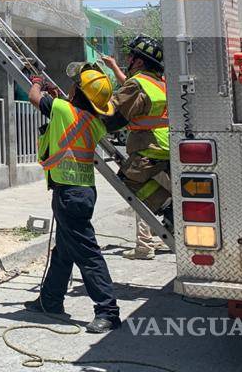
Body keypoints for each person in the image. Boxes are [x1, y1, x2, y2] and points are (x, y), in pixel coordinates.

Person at [24, 63, 123, 333]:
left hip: (69, 194)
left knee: (88, 255)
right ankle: (50, 300)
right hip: (81, 192)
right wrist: (56, 91)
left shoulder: (62, 109)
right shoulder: (94, 123)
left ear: (77, 90)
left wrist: (36, 81)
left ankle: (108, 312)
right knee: (64, 250)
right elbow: (71, 108)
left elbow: (35, 97)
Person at [100, 34, 171, 260]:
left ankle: (166, 211)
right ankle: (169, 216)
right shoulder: (160, 83)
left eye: (131, 55)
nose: (128, 58)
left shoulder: (137, 83)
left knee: (128, 184)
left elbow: (113, 116)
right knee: (146, 186)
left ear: (139, 61)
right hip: (165, 147)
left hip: (148, 148)